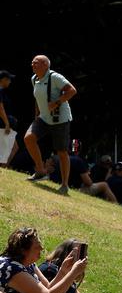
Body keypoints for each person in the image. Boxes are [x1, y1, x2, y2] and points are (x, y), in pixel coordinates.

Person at [0, 227, 79, 293]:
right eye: (37, 246)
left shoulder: (29, 264)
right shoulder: (11, 268)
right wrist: (73, 273)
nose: (42, 248)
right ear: (23, 250)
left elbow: (48, 288)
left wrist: (63, 271)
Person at [24, 55, 77, 195]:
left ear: (45, 65)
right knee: (29, 138)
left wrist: (57, 103)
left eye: (36, 63)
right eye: (32, 63)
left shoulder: (55, 77)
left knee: (61, 151)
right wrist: (37, 115)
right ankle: (40, 171)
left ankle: (65, 185)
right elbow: (37, 98)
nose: (33, 65)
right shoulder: (34, 79)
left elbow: (72, 90)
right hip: (43, 118)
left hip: (60, 119)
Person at [45, 154, 117, 203]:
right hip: (75, 189)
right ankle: (116, 204)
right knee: (104, 185)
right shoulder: (77, 161)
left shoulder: (57, 160)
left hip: (61, 186)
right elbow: (88, 182)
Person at [0, 70, 18, 169]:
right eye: (8, 79)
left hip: (3, 123)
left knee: (11, 147)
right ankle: (2, 168)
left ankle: (3, 167)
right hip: (2, 124)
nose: (10, 82)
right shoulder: (0, 90)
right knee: (12, 148)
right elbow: (0, 107)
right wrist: (7, 123)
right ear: (3, 80)